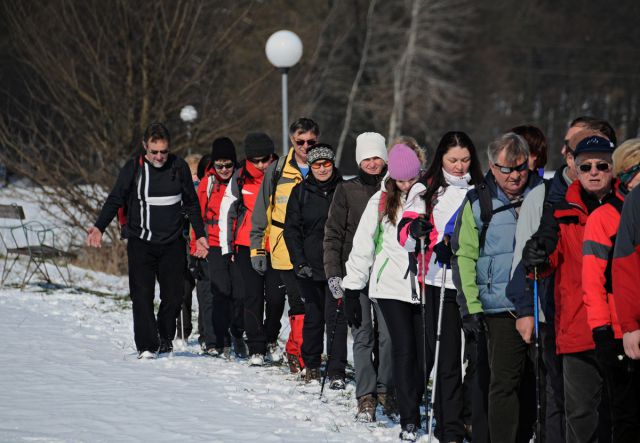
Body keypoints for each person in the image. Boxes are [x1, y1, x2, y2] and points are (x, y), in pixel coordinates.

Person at [522, 131, 617, 443]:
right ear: (574, 167)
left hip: (622, 328)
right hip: (577, 327)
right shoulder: (561, 209)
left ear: (612, 168)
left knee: (620, 415)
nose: (593, 172)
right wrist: (535, 256)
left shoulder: (627, 207)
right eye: (585, 166)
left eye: (601, 166)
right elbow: (547, 253)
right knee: (580, 417)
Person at [86, 122, 208, 359]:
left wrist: (200, 234)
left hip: (172, 242)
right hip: (141, 241)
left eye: (164, 151)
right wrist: (99, 227)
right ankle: (147, 345)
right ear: (145, 147)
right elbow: (115, 199)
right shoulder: (134, 168)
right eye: (154, 152)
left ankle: (164, 337)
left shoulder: (179, 167)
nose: (160, 157)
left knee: (174, 296)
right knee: (141, 295)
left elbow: (192, 204)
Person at [451, 132, 543, 442]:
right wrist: (471, 308)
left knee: (538, 383)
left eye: (520, 168)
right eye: (507, 169)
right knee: (503, 383)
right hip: (498, 306)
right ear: (492, 166)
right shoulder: (479, 201)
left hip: (539, 303)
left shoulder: (542, 194)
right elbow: (463, 255)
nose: (515, 175)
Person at [398, 131, 483, 443]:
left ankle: (472, 418)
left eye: (464, 160)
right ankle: (449, 428)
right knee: (447, 359)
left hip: (476, 282)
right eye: (453, 160)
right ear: (441, 159)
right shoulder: (427, 189)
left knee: (477, 355)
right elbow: (404, 235)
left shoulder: (482, 188)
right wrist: (416, 230)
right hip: (440, 280)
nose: (459, 166)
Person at [341, 143, 421, 440]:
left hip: (418, 286)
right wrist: (352, 287)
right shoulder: (382, 199)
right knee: (375, 338)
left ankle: (391, 390)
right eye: (401, 180)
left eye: (411, 178)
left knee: (398, 345)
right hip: (384, 283)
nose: (406, 185)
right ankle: (371, 395)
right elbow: (362, 246)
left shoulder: (426, 195)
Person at [323, 132, 393, 422]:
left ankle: (386, 389)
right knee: (362, 334)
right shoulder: (346, 190)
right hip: (355, 275)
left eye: (377, 157)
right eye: (367, 158)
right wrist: (334, 275)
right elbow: (333, 235)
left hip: (389, 275)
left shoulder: (397, 188)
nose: (373, 163)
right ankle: (365, 395)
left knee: (388, 337)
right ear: (358, 160)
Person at [583, 138, 640, 442]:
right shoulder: (604, 217)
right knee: (624, 414)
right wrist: (602, 330)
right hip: (619, 331)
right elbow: (592, 281)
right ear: (628, 174)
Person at [250, 118, 318, 372]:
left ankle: (303, 350)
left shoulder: (322, 166)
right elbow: (261, 210)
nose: (306, 146)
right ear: (292, 141)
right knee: (296, 300)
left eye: (311, 141)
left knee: (313, 302)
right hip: (282, 247)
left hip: (314, 246)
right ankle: (298, 353)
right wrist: (257, 246)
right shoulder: (277, 169)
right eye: (300, 141)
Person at [219, 132, 284, 366]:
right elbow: (228, 212)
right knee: (252, 297)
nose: (261, 165)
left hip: (277, 245)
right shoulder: (239, 178)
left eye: (265, 159)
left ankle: (271, 338)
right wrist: (228, 248)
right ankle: (256, 346)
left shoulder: (282, 174)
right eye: (255, 160)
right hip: (247, 245)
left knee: (276, 298)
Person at [284, 144, 346, 385]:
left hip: (337, 266)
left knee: (337, 318)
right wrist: (299, 262)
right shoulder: (300, 192)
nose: (322, 169)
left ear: (333, 164)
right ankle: (311, 364)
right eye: (316, 165)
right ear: (310, 167)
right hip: (309, 266)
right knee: (313, 316)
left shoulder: (343, 189)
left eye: (326, 164)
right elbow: (291, 230)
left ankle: (336, 370)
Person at [196, 137, 237, 358]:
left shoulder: (239, 181)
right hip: (211, 243)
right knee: (214, 293)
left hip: (234, 243)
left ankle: (234, 335)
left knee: (235, 293)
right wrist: (196, 243)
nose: (223, 170)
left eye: (228, 165)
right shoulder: (207, 183)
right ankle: (214, 340)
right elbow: (197, 216)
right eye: (219, 165)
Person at [176, 153, 203, 342]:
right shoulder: (179, 191)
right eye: (191, 173)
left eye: (197, 174)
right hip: (184, 243)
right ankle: (183, 329)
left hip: (202, 244)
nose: (195, 178)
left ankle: (206, 329)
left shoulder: (206, 191)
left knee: (204, 289)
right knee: (184, 288)